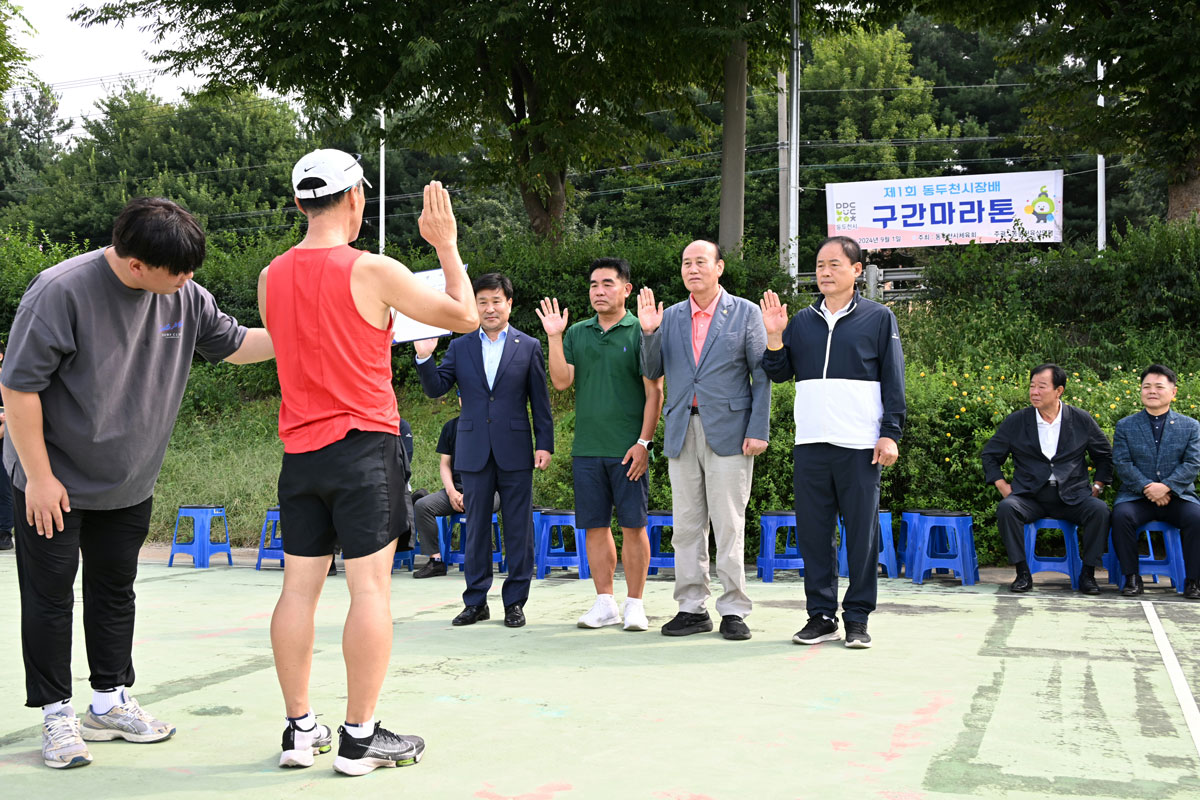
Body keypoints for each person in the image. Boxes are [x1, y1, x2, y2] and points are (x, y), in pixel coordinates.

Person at [1, 196, 275, 770]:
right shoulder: (60, 291)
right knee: (50, 599)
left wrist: (311, 333)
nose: (188, 281)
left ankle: (109, 702)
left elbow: (239, 345)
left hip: (129, 480)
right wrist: (40, 478)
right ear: (133, 266)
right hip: (56, 481)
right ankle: (57, 715)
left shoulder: (184, 295)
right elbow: (19, 388)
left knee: (114, 592)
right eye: (176, 272)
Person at [262, 150, 478, 776]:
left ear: (301, 202)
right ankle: (359, 736)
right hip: (364, 449)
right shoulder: (372, 269)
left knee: (297, 590)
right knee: (370, 588)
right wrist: (445, 245)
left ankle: (300, 731)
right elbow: (464, 315)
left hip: (299, 454)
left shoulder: (270, 275)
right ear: (355, 198)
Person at [760, 235, 905, 649]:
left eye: (834, 265)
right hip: (811, 444)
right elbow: (779, 372)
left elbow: (894, 380)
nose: (824, 272)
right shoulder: (801, 322)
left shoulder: (878, 318)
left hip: (860, 445)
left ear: (856, 271)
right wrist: (774, 335)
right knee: (814, 535)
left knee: (861, 537)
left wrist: (890, 433)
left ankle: (857, 618)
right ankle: (820, 615)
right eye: (820, 265)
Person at [637, 240, 770, 641]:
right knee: (687, 525)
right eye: (685, 263)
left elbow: (761, 374)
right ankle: (691, 607)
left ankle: (733, 608)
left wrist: (758, 429)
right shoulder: (671, 316)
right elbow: (652, 369)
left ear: (719, 267)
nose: (692, 269)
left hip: (730, 430)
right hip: (681, 428)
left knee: (728, 523)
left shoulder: (745, 312)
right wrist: (648, 333)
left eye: (700, 262)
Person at [414, 272, 554, 628]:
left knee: (518, 529)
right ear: (474, 306)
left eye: (496, 301)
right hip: (473, 450)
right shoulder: (460, 347)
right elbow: (436, 388)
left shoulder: (529, 346)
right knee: (474, 528)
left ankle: (515, 603)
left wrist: (545, 444)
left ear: (509, 304)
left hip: (516, 449)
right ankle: (476, 601)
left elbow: (540, 401)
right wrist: (424, 358)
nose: (489, 308)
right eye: (482, 302)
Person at [537, 257, 664, 632]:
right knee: (594, 527)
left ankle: (636, 604)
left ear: (626, 289)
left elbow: (654, 392)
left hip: (629, 448)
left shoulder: (641, 330)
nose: (599, 291)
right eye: (593, 285)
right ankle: (605, 602)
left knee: (633, 526)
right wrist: (555, 336)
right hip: (587, 448)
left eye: (607, 284)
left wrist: (644, 442)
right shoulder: (576, 332)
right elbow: (561, 382)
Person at [981, 363, 1113, 594]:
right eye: (1032, 386)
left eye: (1042, 387)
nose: (1034, 392)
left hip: (1073, 496)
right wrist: (1002, 485)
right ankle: (1022, 573)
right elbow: (991, 455)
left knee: (1099, 510)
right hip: (1030, 496)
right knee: (1007, 509)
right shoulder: (1017, 421)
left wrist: (1098, 485)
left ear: (1059, 390)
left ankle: (1088, 574)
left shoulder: (1081, 419)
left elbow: (1105, 456)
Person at [1111, 365, 1200, 599]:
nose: (1152, 391)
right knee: (1121, 516)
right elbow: (1122, 463)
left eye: (1159, 386)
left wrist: (1167, 486)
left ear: (1173, 392)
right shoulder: (1125, 425)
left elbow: (1192, 463)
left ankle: (1194, 581)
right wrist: (1147, 487)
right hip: (1137, 496)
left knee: (1196, 518)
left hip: (1177, 496)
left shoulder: (1190, 426)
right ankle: (1132, 578)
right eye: (1146, 386)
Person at [411, 396, 501, 578]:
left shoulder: (492, 426)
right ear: (460, 399)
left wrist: (473, 494)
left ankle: (480, 560)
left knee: (480, 504)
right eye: (464, 395)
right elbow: (445, 464)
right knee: (422, 506)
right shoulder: (451, 427)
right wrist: (451, 492)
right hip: (456, 488)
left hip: (488, 490)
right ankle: (435, 561)